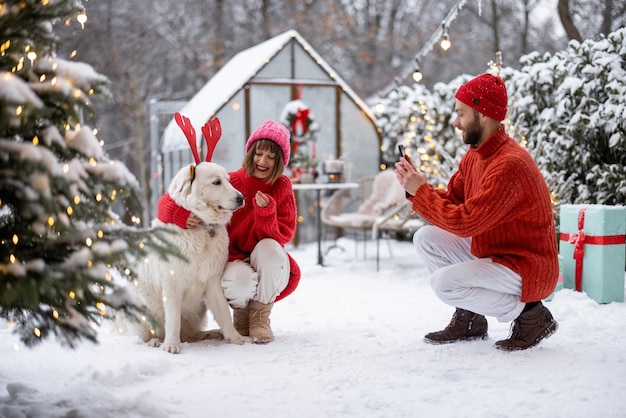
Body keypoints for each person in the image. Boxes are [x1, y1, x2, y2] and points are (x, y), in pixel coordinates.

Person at [394, 73, 559, 351]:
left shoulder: (509, 165)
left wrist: (421, 191)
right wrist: (416, 187)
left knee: (444, 284)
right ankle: (471, 318)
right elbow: (454, 201)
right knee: (426, 238)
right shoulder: (476, 154)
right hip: (496, 252)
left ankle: (532, 315)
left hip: (526, 266)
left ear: (482, 114)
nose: (455, 122)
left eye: (461, 113)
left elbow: (465, 222)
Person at [157, 119, 300, 344]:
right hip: (235, 260)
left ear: (280, 161)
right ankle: (241, 316)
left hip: (265, 258)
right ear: (250, 153)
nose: (263, 161)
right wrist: (181, 216)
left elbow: (284, 235)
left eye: (271, 157)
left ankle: (260, 317)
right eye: (259, 153)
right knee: (237, 281)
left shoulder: (282, 186)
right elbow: (167, 202)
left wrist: (266, 214)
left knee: (271, 249)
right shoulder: (229, 181)